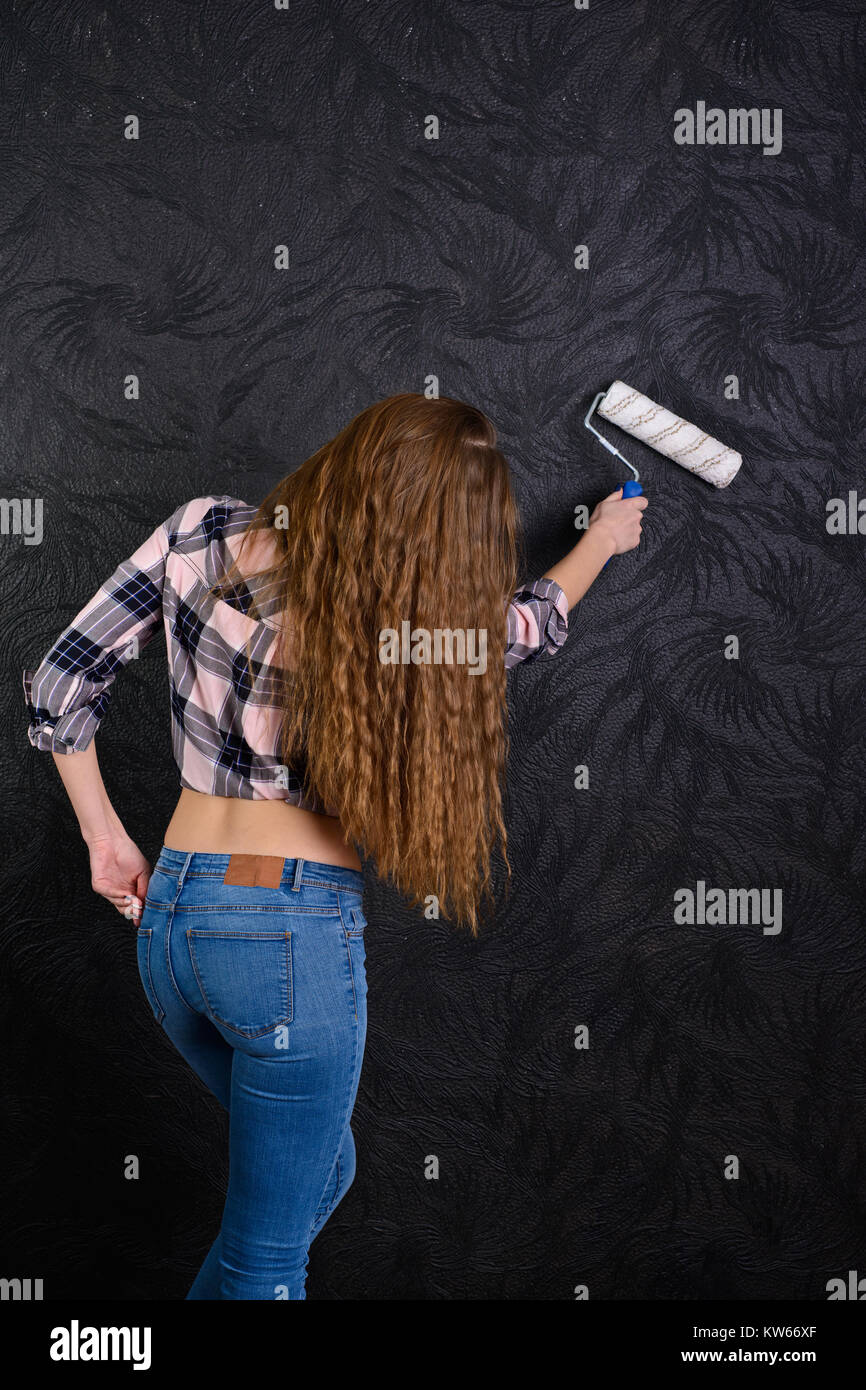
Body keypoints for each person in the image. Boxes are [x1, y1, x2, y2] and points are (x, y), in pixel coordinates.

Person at [22, 392, 647, 1299]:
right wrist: (600, 542)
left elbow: (59, 681)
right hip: (283, 934)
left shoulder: (202, 530)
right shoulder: (408, 621)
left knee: (319, 1181)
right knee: (269, 1261)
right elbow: (526, 626)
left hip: (172, 925)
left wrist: (106, 843)